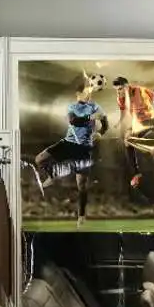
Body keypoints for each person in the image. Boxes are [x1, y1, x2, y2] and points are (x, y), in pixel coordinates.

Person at [30, 71, 108, 226]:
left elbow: (105, 124)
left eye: (90, 90)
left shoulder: (96, 107)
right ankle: (52, 175)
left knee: (82, 185)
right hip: (68, 143)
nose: (89, 92)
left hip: (84, 148)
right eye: (86, 90)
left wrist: (101, 132)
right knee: (39, 159)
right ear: (78, 94)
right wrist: (90, 117)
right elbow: (74, 121)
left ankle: (81, 216)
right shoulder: (72, 107)